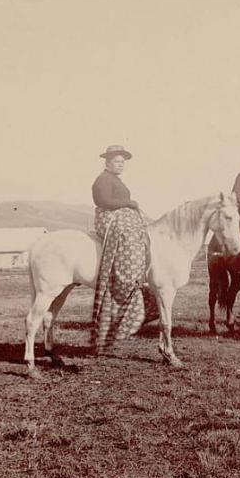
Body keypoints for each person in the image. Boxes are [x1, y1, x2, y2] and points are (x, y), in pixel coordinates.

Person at [90, 145, 151, 350]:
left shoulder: (116, 180)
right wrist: (129, 202)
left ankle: (141, 271)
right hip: (108, 217)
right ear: (107, 162)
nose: (120, 164)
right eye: (117, 161)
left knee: (141, 230)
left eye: (122, 161)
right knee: (129, 232)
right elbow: (103, 200)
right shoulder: (102, 179)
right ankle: (127, 274)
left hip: (119, 214)